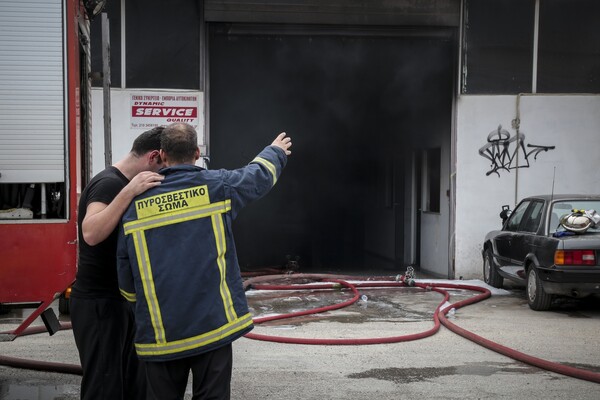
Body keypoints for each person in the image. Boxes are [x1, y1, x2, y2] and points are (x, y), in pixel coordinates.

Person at [116, 122, 292, 400]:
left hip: (161, 335)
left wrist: (141, 306)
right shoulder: (217, 186)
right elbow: (257, 176)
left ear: (161, 155)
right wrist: (275, 151)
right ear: (197, 153)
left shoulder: (134, 206)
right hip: (213, 327)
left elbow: (126, 278)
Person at [70, 127, 165, 400]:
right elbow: (91, 232)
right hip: (99, 303)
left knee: (133, 385)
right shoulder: (110, 183)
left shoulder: (121, 183)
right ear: (153, 157)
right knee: (105, 388)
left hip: (120, 301)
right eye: (164, 166)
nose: (163, 174)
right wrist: (129, 191)